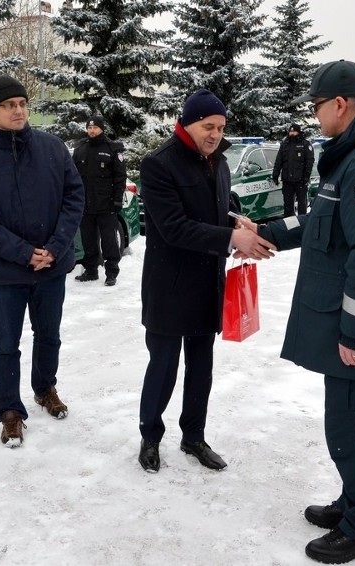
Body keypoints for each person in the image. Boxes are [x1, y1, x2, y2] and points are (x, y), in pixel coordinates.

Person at [235, 60, 355, 563]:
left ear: (339, 105)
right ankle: (354, 502)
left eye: (317, 108)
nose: (315, 118)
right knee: (345, 423)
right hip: (351, 328)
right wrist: (268, 232)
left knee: (354, 427)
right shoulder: (351, 159)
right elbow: (321, 219)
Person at [136, 89, 276, 473]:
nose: (215, 134)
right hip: (169, 286)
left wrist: (236, 220)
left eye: (220, 127)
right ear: (187, 122)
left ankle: (193, 436)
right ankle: (150, 436)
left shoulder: (219, 161)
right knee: (163, 368)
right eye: (208, 126)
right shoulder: (158, 165)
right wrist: (232, 239)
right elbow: (173, 227)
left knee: (201, 369)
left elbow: (217, 205)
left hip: (207, 285)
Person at [0, 75, 85, 448]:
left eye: (23, 103)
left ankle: (45, 388)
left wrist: (55, 248)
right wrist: (24, 252)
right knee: (6, 342)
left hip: (52, 266)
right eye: (10, 105)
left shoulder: (52, 148)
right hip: (6, 271)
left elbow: (74, 197)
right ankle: (10, 411)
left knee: (49, 335)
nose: (19, 110)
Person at [72, 115, 127, 286]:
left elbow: (120, 177)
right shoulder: (80, 150)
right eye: (89, 128)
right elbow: (73, 177)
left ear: (102, 129)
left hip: (106, 204)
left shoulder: (112, 149)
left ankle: (111, 272)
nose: (92, 130)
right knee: (88, 240)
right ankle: (91, 270)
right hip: (86, 205)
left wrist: (117, 200)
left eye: (95, 127)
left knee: (109, 241)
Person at [272, 123, 314, 216]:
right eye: (290, 131)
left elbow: (309, 162)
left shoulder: (305, 144)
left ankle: (301, 227)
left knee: (301, 205)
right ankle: (288, 227)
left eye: (294, 131)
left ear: (298, 132)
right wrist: (275, 174)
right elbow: (279, 161)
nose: (292, 133)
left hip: (300, 180)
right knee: (287, 205)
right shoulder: (284, 145)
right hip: (287, 180)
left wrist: (306, 177)